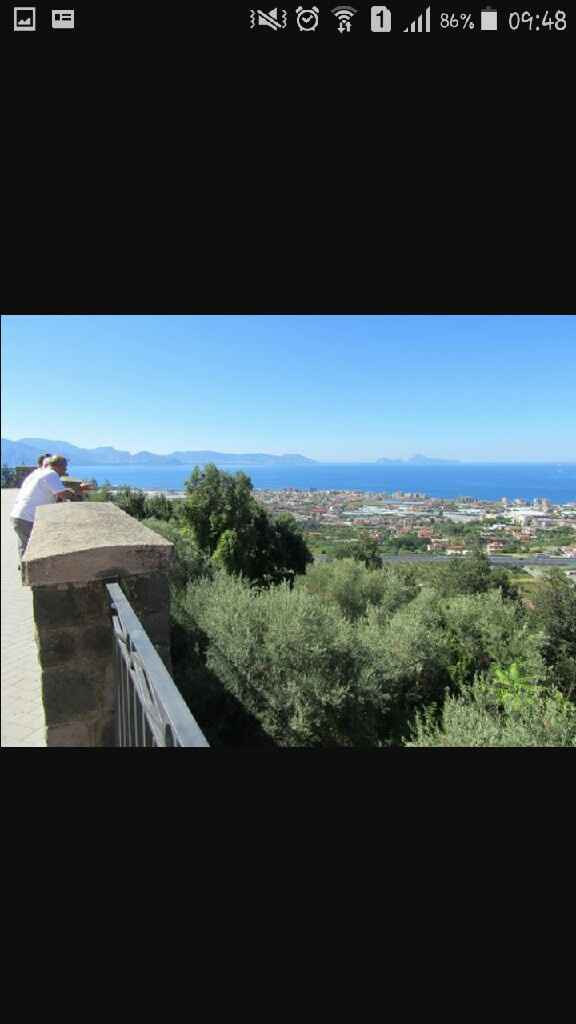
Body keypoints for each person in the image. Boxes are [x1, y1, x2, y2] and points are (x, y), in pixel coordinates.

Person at [10, 454, 95, 569]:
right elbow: (63, 494)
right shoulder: (51, 474)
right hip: (29, 516)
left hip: (18, 514)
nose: (65, 471)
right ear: (58, 466)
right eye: (64, 467)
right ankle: (31, 574)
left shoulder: (37, 473)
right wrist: (78, 492)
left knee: (24, 547)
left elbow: (55, 491)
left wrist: (75, 489)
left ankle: (25, 571)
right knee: (33, 548)